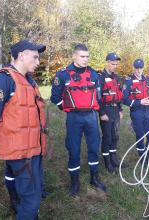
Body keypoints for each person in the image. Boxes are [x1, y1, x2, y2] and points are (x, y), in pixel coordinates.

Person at [0, 39, 47, 219]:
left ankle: (18, 204)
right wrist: (3, 133)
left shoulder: (28, 80)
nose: (38, 61)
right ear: (21, 55)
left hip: (32, 146)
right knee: (32, 199)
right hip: (21, 151)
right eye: (35, 57)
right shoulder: (4, 80)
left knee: (27, 189)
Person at [50, 43, 107, 197]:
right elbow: (54, 97)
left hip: (91, 117)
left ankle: (94, 178)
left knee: (94, 147)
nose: (85, 59)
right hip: (74, 117)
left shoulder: (94, 74)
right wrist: (67, 108)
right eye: (82, 56)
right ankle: (74, 183)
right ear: (74, 56)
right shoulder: (62, 74)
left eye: (87, 56)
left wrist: (99, 112)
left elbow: (99, 96)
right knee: (73, 149)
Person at [122, 59, 149, 163]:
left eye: (140, 68)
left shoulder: (148, 80)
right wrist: (139, 102)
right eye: (136, 68)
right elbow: (124, 99)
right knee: (140, 135)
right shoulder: (128, 82)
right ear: (133, 68)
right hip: (137, 112)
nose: (138, 70)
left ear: (143, 68)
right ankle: (142, 157)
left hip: (148, 111)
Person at [98, 52, 124, 173]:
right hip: (106, 110)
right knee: (107, 137)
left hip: (115, 110)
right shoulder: (100, 77)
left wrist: (120, 109)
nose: (115, 66)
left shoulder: (116, 77)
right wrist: (102, 113)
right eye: (113, 64)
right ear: (107, 62)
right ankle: (107, 162)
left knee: (115, 136)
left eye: (116, 64)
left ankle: (114, 160)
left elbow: (118, 94)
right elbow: (98, 98)